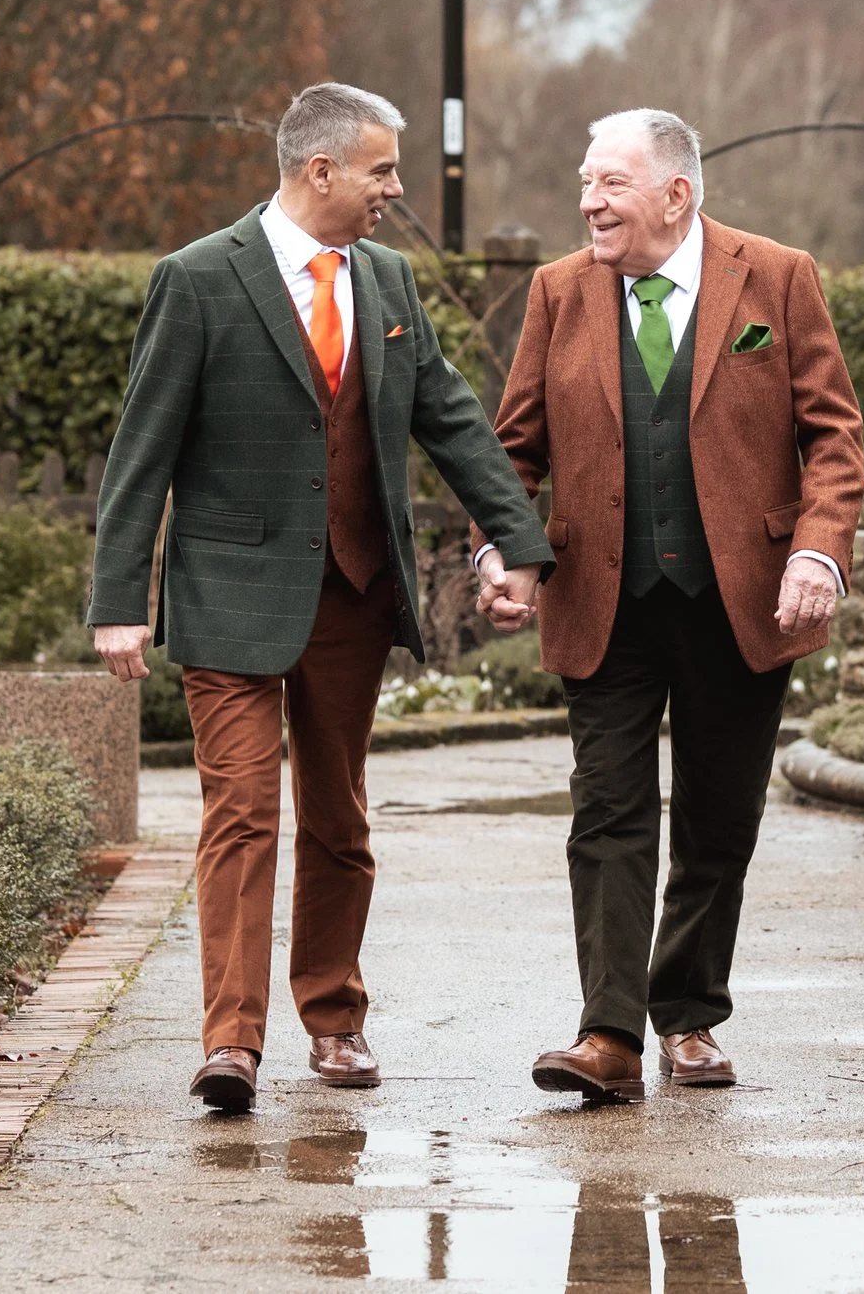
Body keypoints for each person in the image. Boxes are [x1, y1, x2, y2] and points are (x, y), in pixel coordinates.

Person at [87, 82, 552, 1114]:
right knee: (242, 814)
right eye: (384, 169)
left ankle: (334, 1021)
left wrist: (517, 542)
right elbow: (141, 450)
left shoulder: (387, 281)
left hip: (351, 592)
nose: (396, 188)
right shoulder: (199, 279)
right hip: (227, 595)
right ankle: (231, 1044)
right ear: (321, 170)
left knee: (338, 818)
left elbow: (452, 418)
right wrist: (121, 599)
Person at [475, 107, 864, 1100]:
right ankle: (608, 1033)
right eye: (585, 182)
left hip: (740, 601)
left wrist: (818, 553)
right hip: (601, 598)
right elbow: (513, 450)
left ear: (675, 194)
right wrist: (504, 549)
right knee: (606, 810)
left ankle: (688, 1014)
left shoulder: (776, 278)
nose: (587, 202)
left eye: (608, 184)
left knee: (717, 817)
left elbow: (832, 438)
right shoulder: (561, 291)